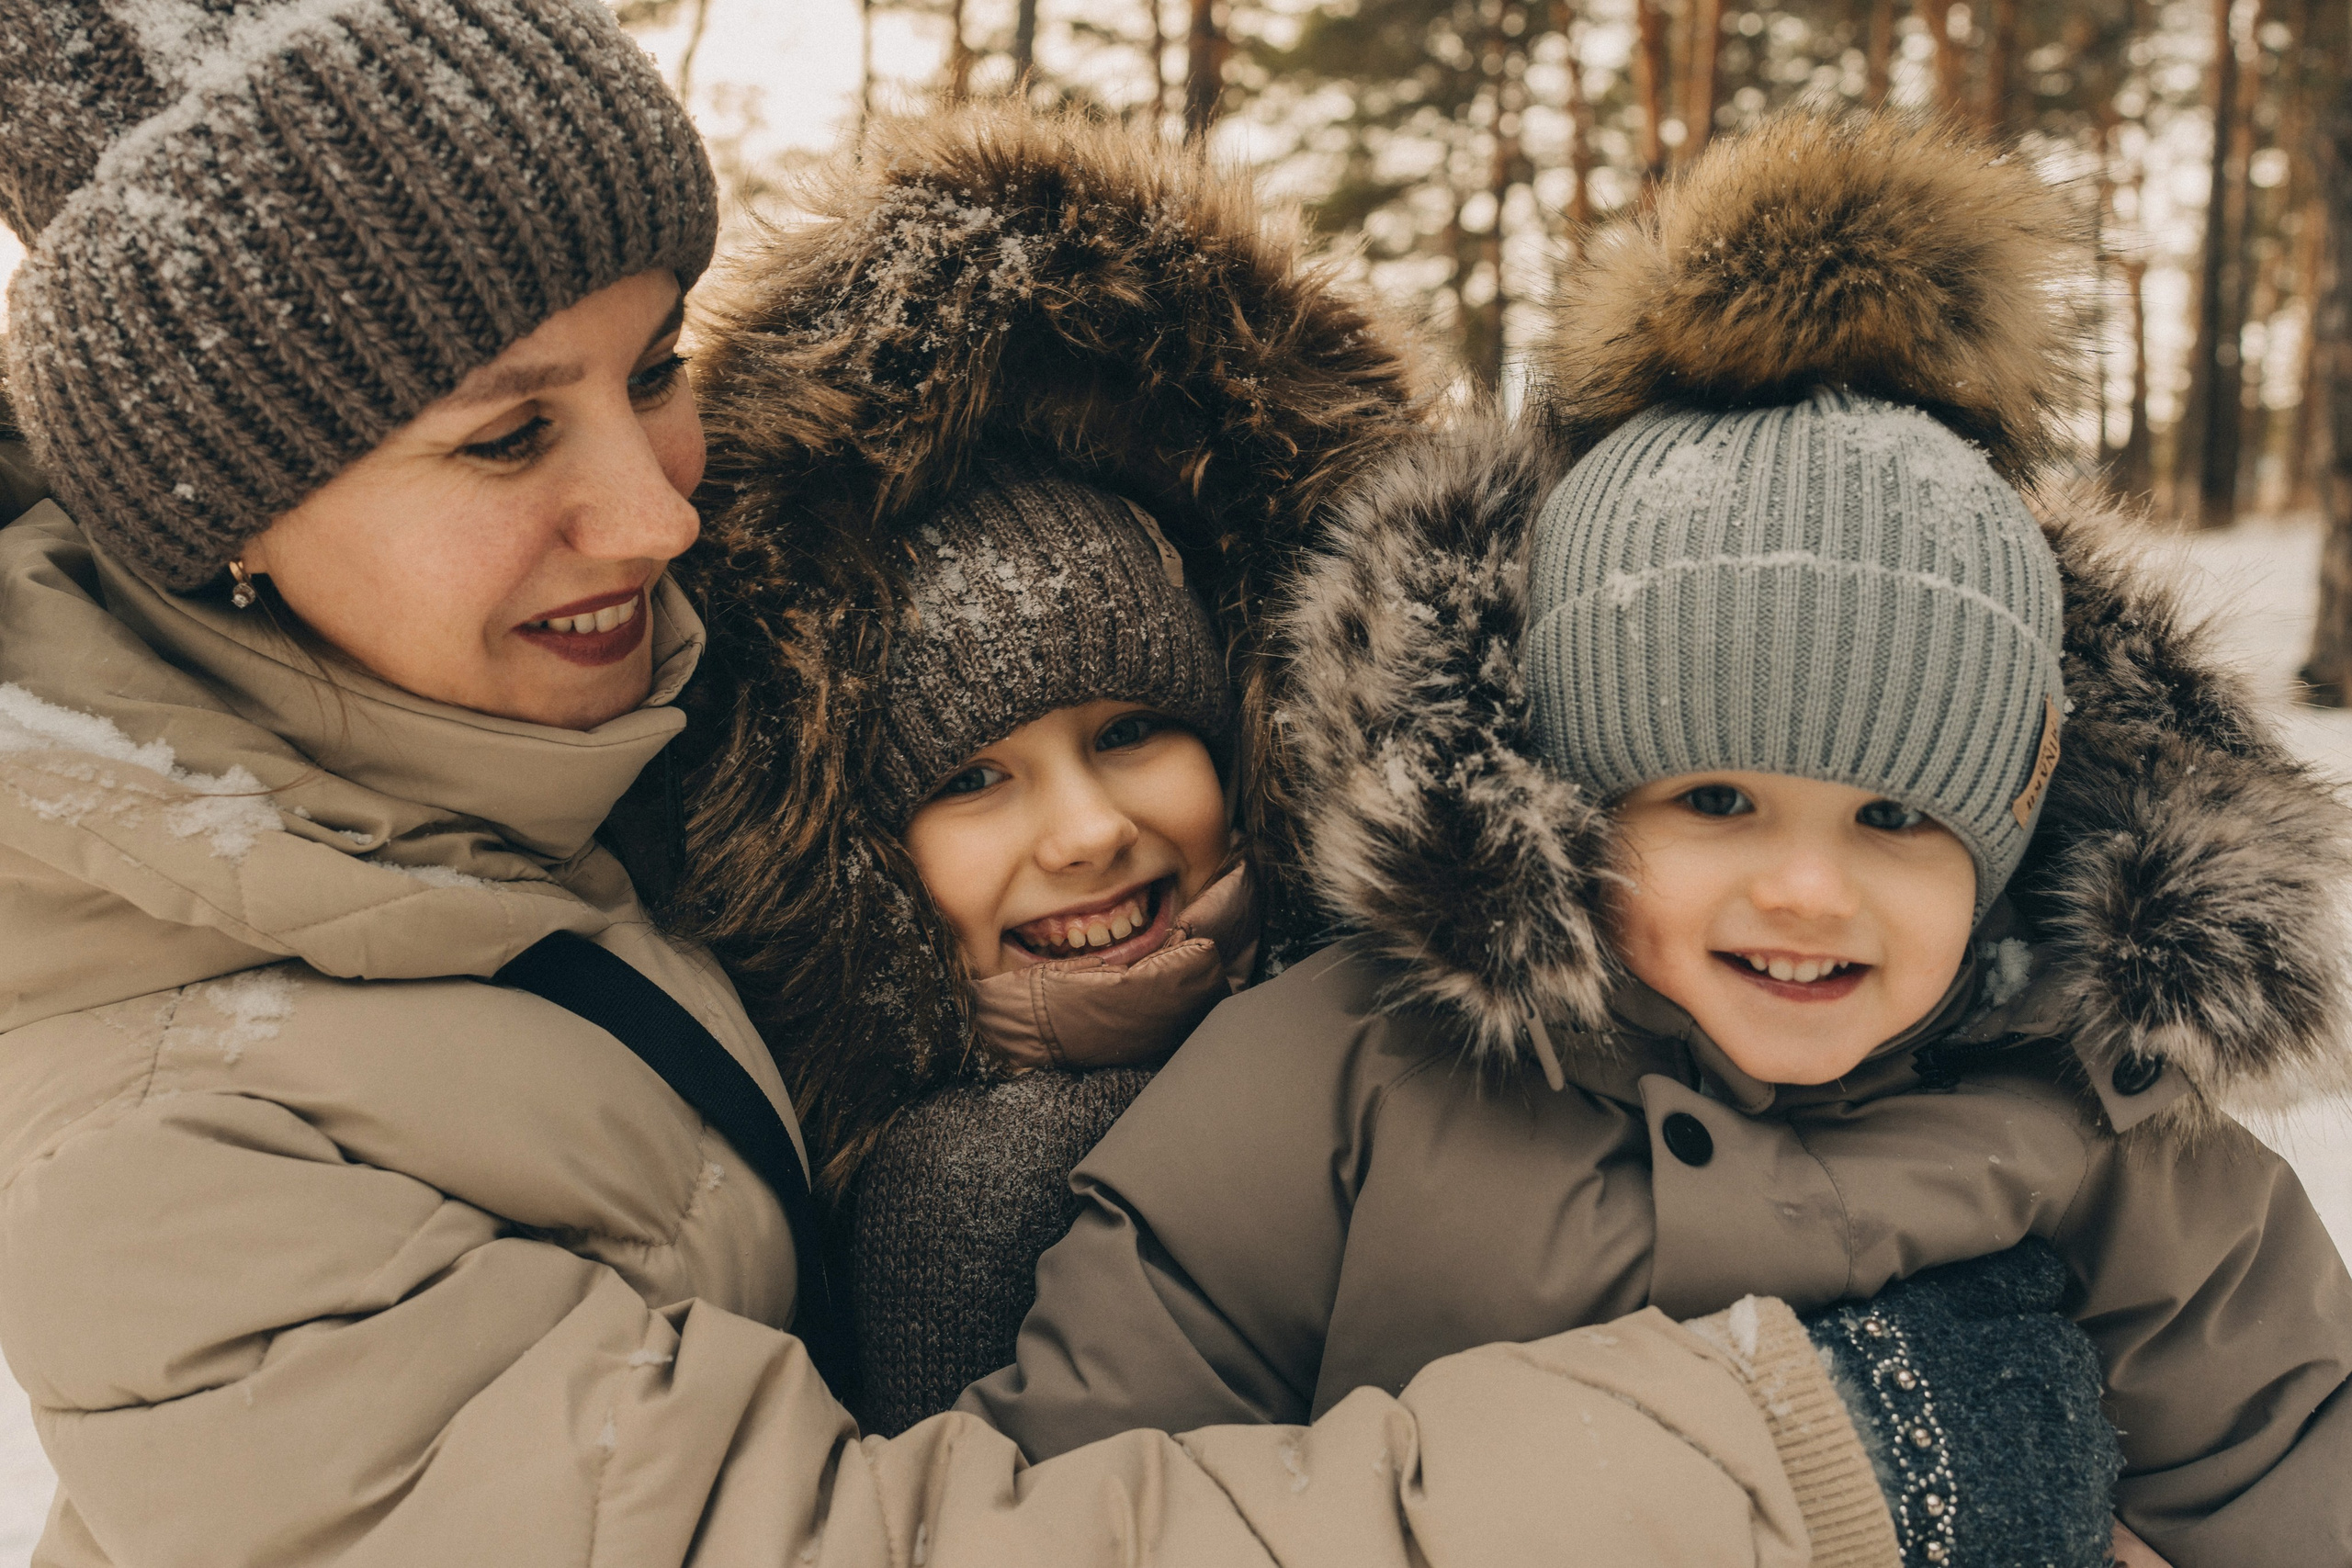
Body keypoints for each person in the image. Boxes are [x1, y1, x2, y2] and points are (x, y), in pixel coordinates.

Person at [0, 8, 2116, 1561]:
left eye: (655, 371)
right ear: (225, 519)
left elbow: (1747, 717)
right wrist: (1786, 1457)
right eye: (498, 436)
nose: (657, 516)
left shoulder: (562, 756)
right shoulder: (172, 1133)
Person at [960, 114, 2352, 1568]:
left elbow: (2291, 1480)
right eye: (1715, 802)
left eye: (1895, 817)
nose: (1810, 888)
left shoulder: (2110, 1136)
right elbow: (1099, 1498)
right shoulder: (1325, 1090)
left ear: (2013, 822)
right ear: (1566, 791)